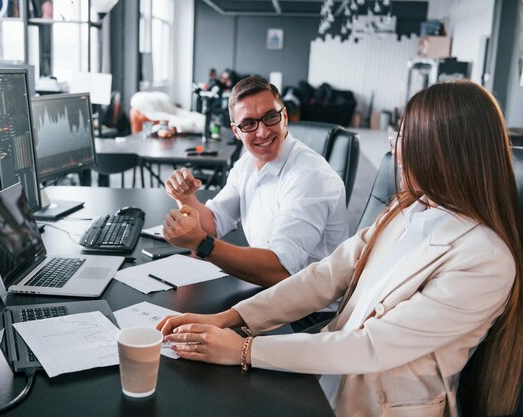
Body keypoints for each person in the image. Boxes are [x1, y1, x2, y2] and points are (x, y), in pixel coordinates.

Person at [158, 80, 523, 417]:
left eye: (403, 136)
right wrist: (229, 319)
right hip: (329, 373)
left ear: (441, 150)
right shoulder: (408, 209)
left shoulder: (485, 259)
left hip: (377, 404)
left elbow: (371, 347)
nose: (395, 149)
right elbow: (325, 276)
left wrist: (242, 349)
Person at [162, 75, 348, 288]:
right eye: (249, 124)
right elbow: (212, 224)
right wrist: (185, 197)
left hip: (310, 309)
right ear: (236, 131)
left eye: (270, 117)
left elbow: (280, 270)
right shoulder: (247, 163)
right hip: (269, 291)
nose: (263, 132)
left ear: (284, 116)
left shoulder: (311, 176)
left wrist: (202, 244)